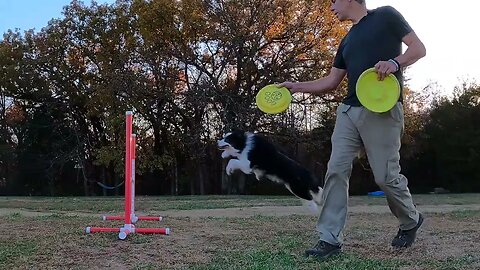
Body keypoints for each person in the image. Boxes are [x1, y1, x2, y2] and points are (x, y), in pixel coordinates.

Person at [279, 0, 426, 259]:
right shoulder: (346, 40)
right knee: (336, 169)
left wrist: (394, 63)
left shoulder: (386, 15)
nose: (331, 7)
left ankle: (410, 219)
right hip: (348, 110)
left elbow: (419, 48)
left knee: (385, 177)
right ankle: (329, 239)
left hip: (382, 110)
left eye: (333, 2)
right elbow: (332, 81)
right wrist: (296, 86)